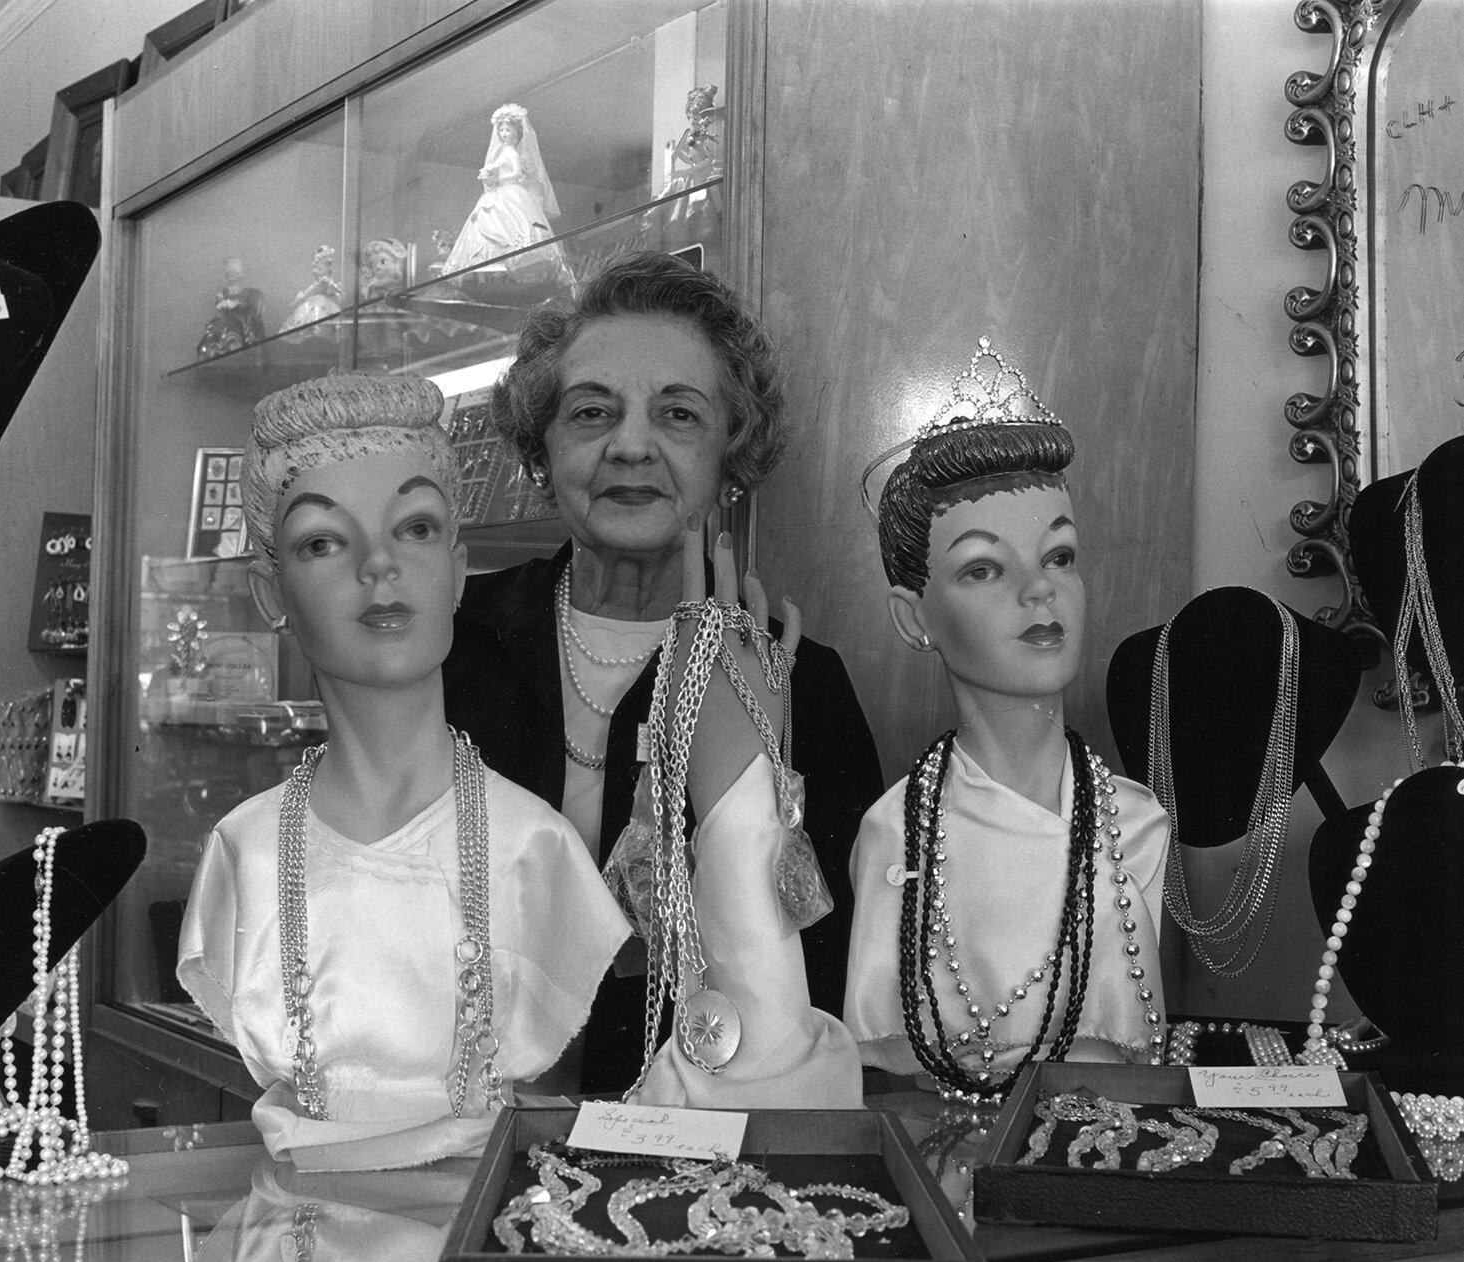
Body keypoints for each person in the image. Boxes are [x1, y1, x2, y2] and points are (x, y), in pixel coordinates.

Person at [177, 371, 859, 1172]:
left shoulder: (531, 846)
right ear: (270, 591)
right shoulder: (245, 851)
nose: (377, 568)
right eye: (322, 541)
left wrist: (738, 792)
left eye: (416, 528)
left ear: (459, 570)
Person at [444, 250, 883, 1093]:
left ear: (731, 457)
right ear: (542, 451)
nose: (632, 445)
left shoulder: (798, 681)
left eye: (678, 415)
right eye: (590, 413)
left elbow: (825, 967)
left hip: (699, 1139)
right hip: (464, 1121)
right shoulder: (454, 645)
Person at [845, 339, 1169, 1102]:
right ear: (912, 615)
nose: (1038, 593)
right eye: (983, 568)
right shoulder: (897, 835)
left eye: (1058, 557)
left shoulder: (1136, 824)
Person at [440, 103, 567, 286]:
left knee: (516, 225)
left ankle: (515, 265)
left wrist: (498, 177)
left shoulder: (512, 152)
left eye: (508, 130)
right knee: (484, 220)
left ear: (517, 133)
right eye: (501, 130)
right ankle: (490, 268)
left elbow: (516, 174)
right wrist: (490, 177)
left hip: (512, 192)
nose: (504, 134)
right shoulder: (503, 151)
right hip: (499, 192)